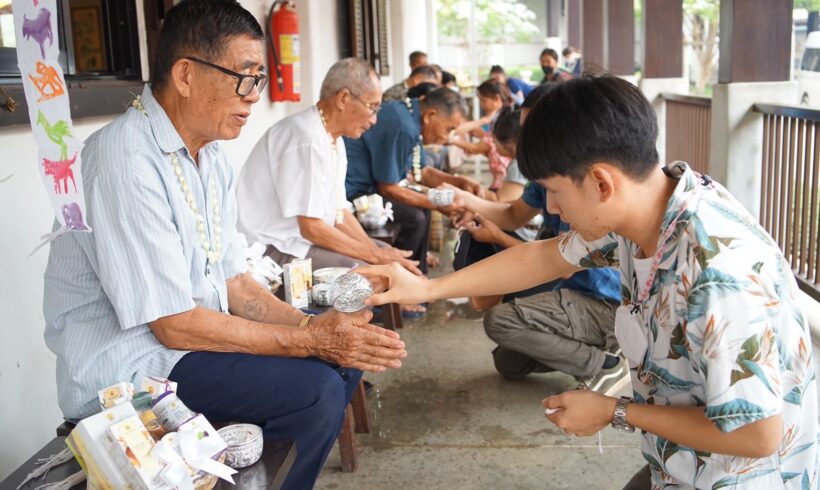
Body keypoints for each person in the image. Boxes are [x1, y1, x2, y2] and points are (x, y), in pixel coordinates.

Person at [361, 75, 818, 489]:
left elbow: (756, 434)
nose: (553, 210)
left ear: (601, 182)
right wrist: (423, 288)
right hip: (681, 463)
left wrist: (614, 411)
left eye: (556, 192)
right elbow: (545, 257)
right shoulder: (650, 209)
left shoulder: (718, 273)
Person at [42, 2, 407, 488]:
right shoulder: (122, 159)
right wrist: (309, 341)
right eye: (246, 77)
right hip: (130, 370)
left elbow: (235, 281)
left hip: (183, 347)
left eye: (259, 78)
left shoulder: (210, 158)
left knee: (341, 368)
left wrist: (313, 326)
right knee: (315, 390)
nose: (255, 95)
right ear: (187, 75)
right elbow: (172, 324)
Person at [236, 58, 420, 275]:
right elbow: (311, 227)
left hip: (300, 241)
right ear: (343, 98)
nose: (374, 121)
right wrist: (372, 255)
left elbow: (339, 212)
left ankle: (408, 297)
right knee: (367, 272)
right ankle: (395, 304)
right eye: (372, 108)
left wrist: (374, 249)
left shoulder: (333, 138)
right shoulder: (306, 137)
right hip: (271, 247)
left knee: (385, 253)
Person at [344, 88, 481, 276]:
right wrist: (438, 204)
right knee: (414, 218)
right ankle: (403, 280)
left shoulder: (410, 116)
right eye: (449, 129)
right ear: (430, 116)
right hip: (354, 192)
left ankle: (418, 267)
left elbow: (423, 171)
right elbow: (388, 188)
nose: (447, 137)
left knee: (424, 206)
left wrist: (459, 181)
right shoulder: (402, 126)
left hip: (372, 187)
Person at [451, 79, 514, 191]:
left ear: (497, 99)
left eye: (483, 100)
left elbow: (477, 147)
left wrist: (450, 139)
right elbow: (479, 133)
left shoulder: (503, 121)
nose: (481, 104)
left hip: (504, 181)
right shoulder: (498, 117)